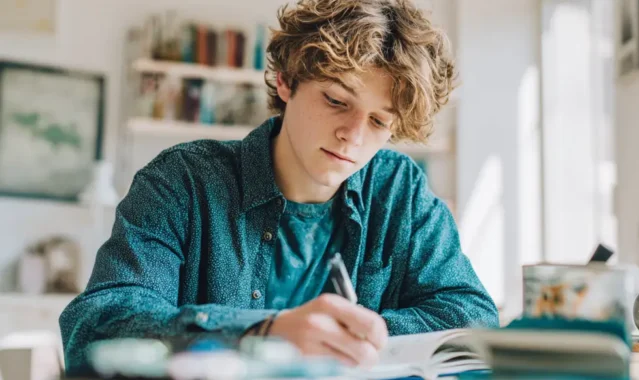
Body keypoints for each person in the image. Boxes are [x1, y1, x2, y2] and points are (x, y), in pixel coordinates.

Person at [59, 0, 499, 375]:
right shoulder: (182, 181)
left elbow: (472, 317)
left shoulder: (401, 192)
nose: (353, 134)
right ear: (286, 81)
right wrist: (263, 332)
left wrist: (355, 335)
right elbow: (98, 324)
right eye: (335, 101)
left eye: (379, 121)